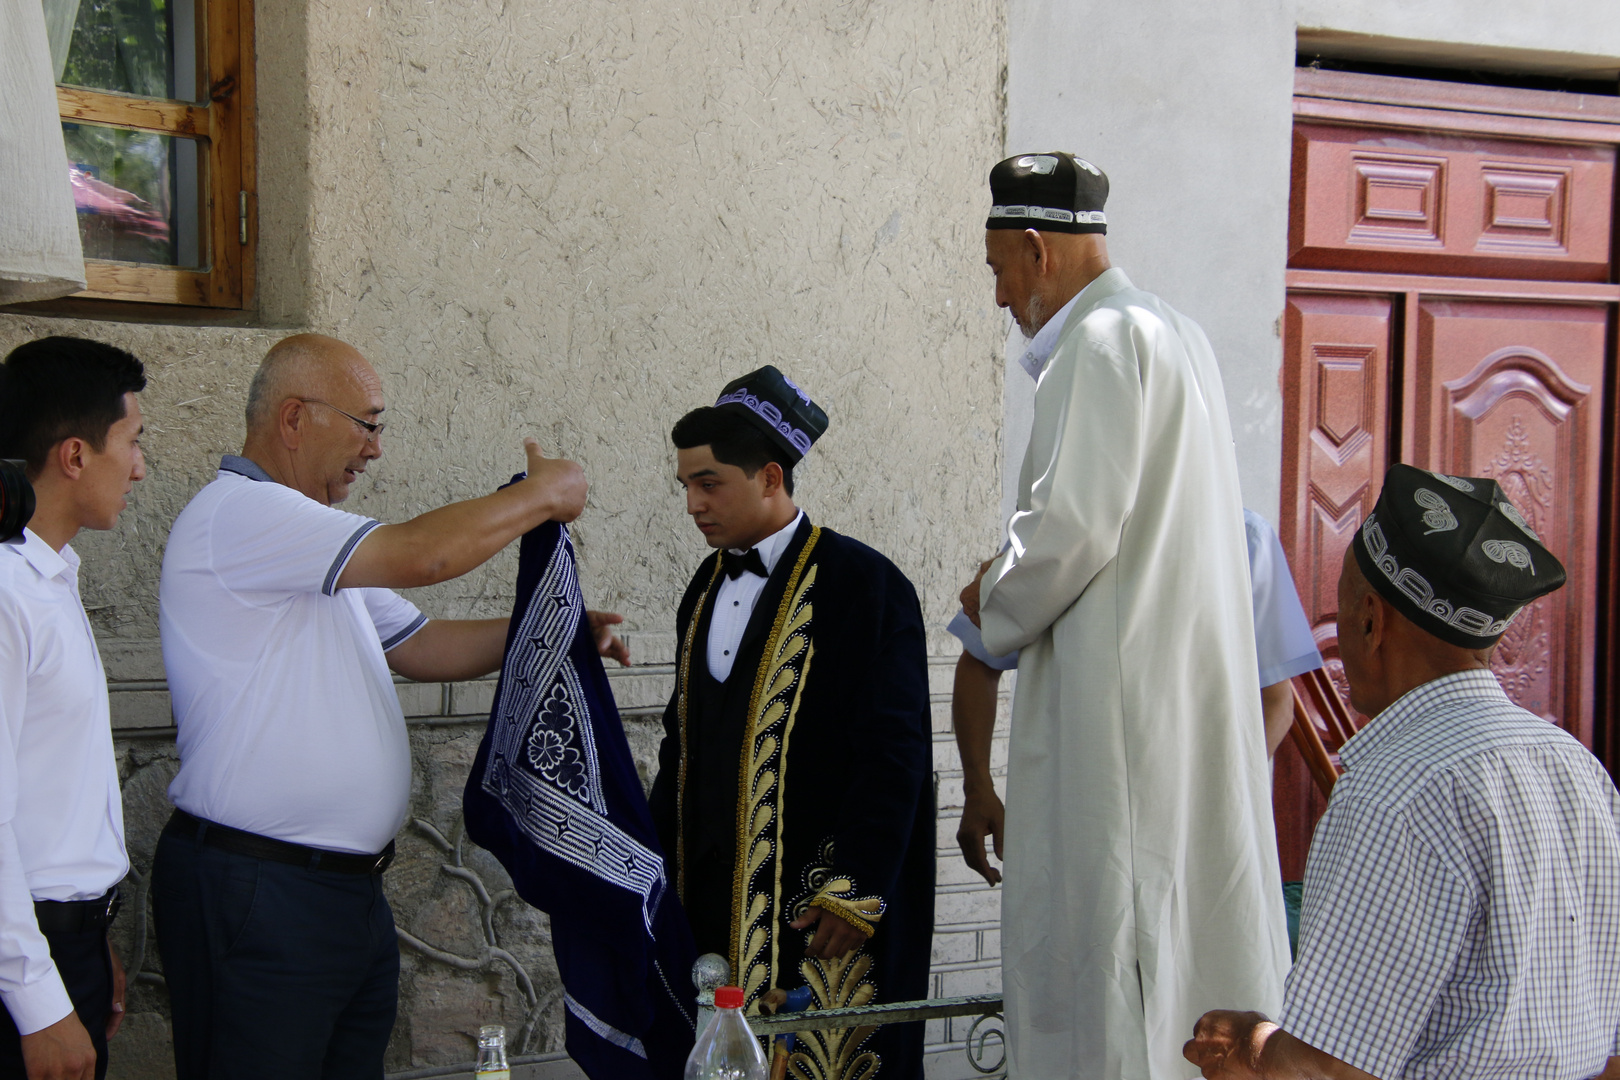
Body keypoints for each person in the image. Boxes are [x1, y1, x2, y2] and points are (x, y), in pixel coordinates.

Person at [152, 333, 611, 1080]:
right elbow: (426, 554)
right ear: (295, 418)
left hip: (338, 894)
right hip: (260, 891)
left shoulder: (310, 539)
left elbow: (423, 645)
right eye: (367, 423)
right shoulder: (241, 513)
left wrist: (558, 631)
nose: (374, 450)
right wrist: (539, 497)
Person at [956, 152, 1289, 1077]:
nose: (998, 297)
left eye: (998, 270)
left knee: (1114, 959)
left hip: (1121, 725)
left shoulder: (1097, 343)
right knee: (1187, 946)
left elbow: (1068, 529)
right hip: (1176, 703)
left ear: (1036, 247)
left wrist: (988, 597)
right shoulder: (1176, 332)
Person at [1185, 464, 1620, 1080]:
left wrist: (1246, 1047)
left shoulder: (1394, 791)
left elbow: (1323, 1071)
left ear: (1368, 620)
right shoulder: (1579, 770)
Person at [647, 366, 935, 1080]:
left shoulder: (868, 588)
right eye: (685, 485)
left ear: (771, 476)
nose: (692, 504)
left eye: (709, 484)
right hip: (710, 906)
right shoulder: (703, 589)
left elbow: (895, 752)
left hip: (820, 913)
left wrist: (857, 891)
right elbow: (681, 743)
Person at [954, 508, 1322, 887]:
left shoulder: (1243, 537)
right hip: (1072, 820)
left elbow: (1276, 701)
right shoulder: (1052, 531)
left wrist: (1219, 799)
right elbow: (980, 663)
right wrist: (977, 784)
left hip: (1186, 826)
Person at [0, 337, 148, 1080]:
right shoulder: (6, 593)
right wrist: (37, 999)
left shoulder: (50, 578)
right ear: (74, 455)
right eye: (133, 441)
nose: (141, 468)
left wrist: (90, 945)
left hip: (66, 945)